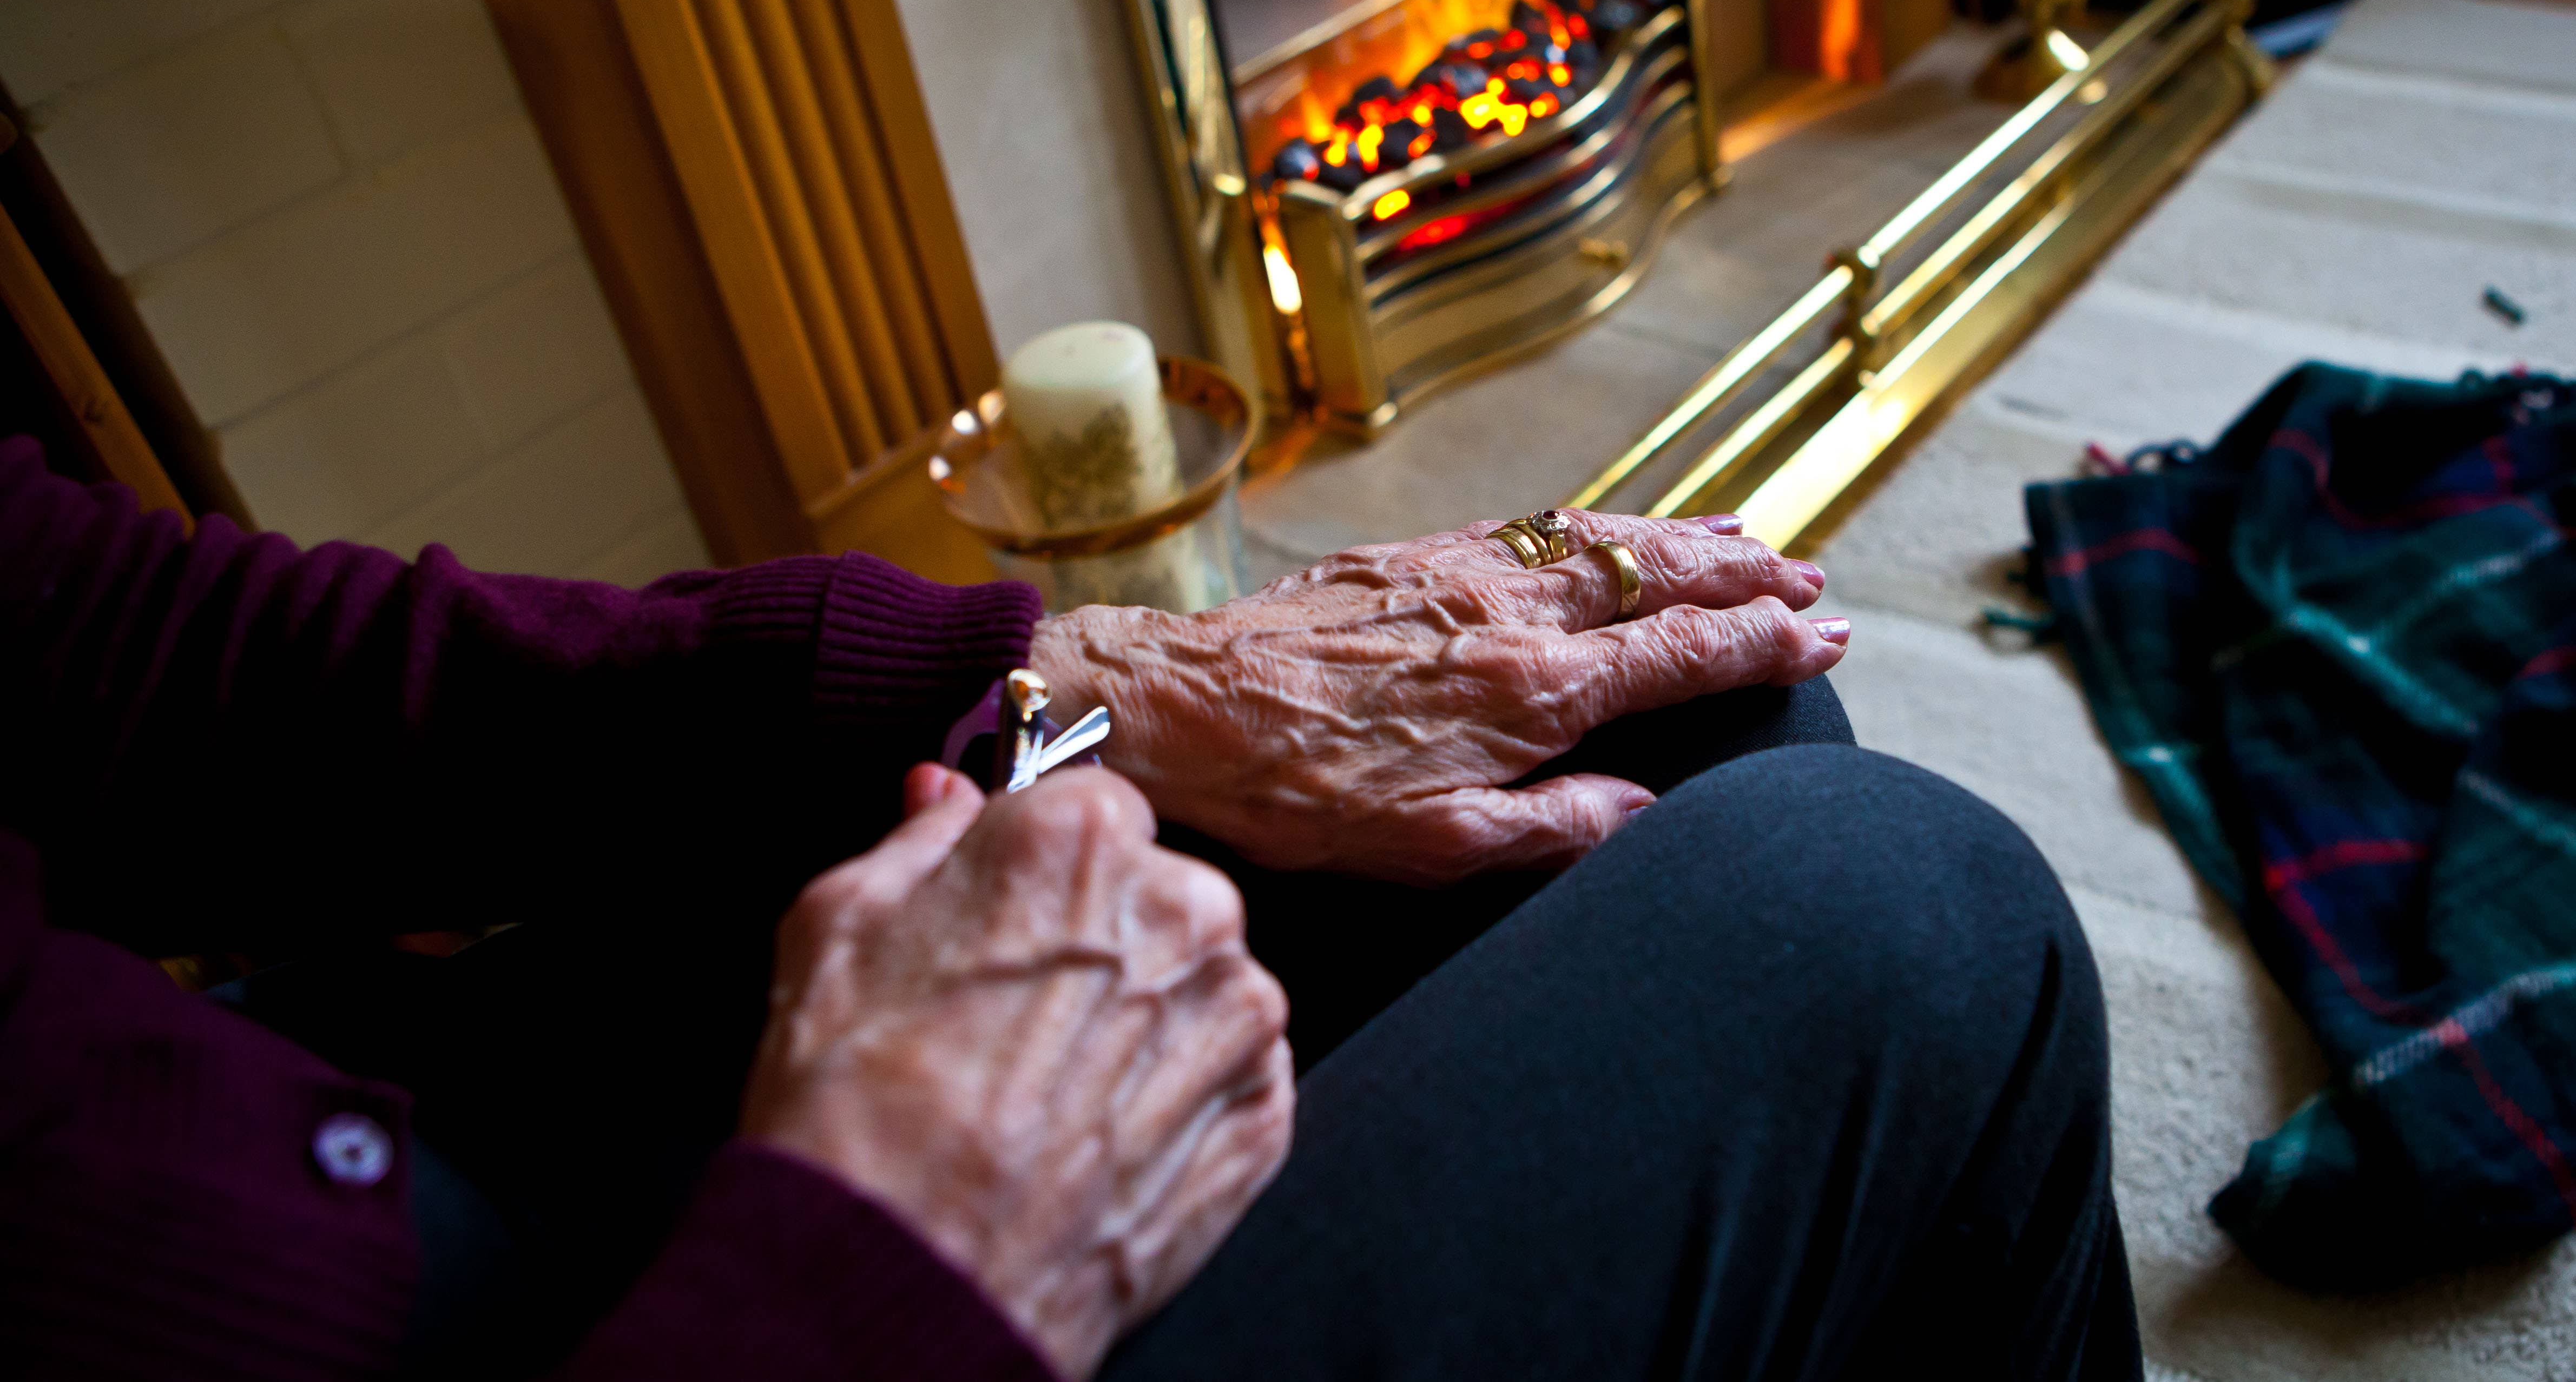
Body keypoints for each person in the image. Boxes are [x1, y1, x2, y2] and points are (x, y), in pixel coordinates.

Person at [0, 433, 2140, 1380]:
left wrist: (1085, 688)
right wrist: (882, 1270)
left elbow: (108, 641)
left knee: (1689, 726)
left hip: (363, 1110)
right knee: (1889, 908)